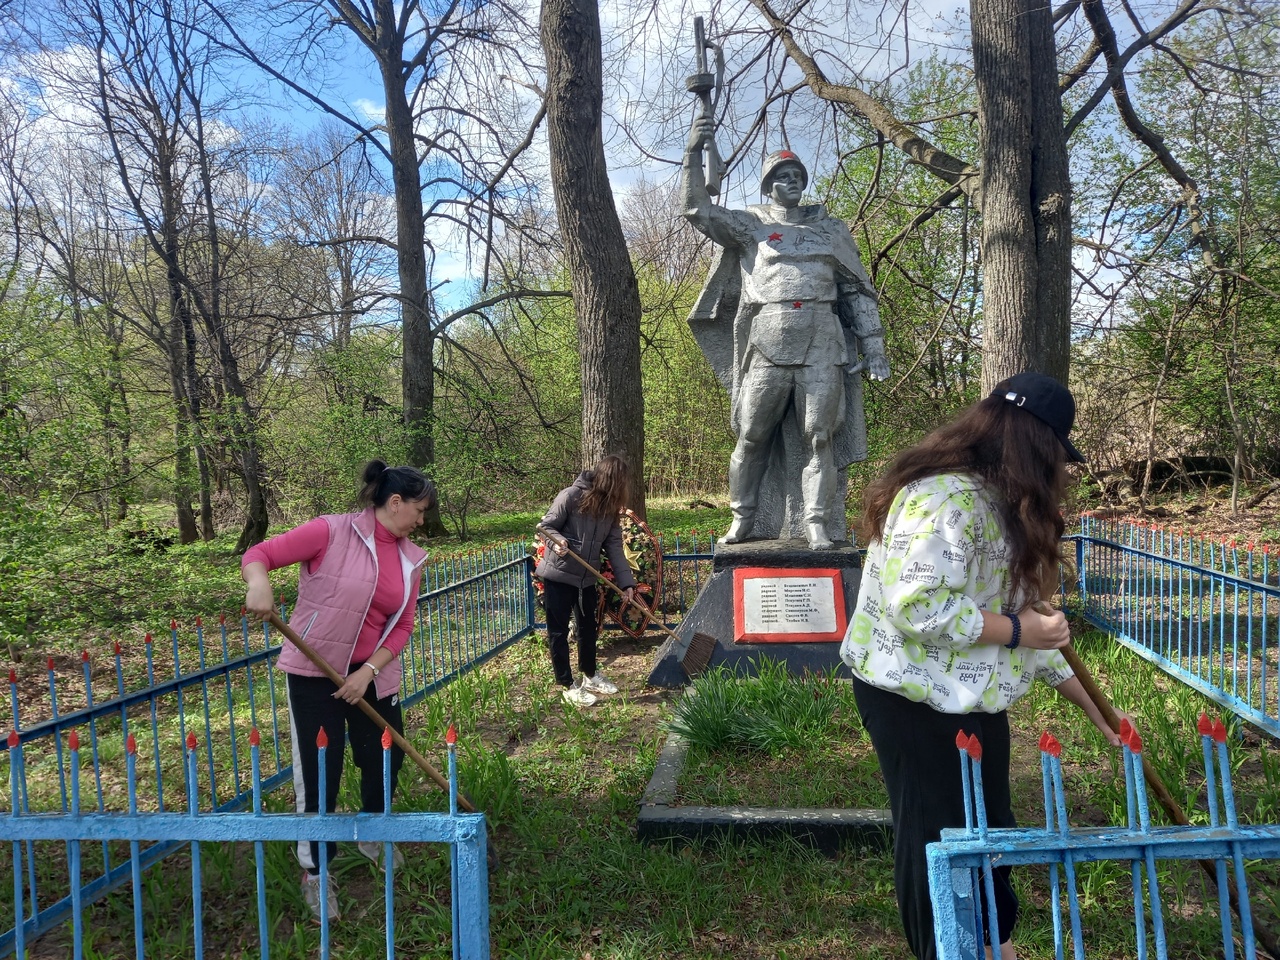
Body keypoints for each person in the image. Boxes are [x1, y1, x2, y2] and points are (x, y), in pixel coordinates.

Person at [839, 372, 1127, 960]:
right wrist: (1024, 628)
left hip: (970, 697)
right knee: (936, 837)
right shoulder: (943, 499)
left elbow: (1028, 630)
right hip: (909, 697)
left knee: (989, 825)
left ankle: (991, 942)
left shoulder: (1006, 506)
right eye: (1058, 456)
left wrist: (1101, 712)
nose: (1061, 473)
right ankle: (948, 947)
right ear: (1033, 443)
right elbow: (915, 606)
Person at [682, 114, 891, 550]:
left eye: (797, 175)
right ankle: (743, 518)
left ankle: (816, 523)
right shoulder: (750, 225)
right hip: (768, 339)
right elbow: (697, 211)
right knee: (751, 434)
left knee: (819, 436)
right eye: (782, 176)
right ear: (768, 185)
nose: (792, 182)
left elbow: (857, 290)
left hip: (823, 341)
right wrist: (692, 154)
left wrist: (874, 345)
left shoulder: (832, 231)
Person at [242, 460, 435, 922]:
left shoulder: (412, 559)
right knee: (319, 771)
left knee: (384, 759)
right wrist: (259, 583)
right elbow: (259, 554)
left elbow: (402, 625)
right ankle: (315, 869)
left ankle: (370, 832)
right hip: (315, 675)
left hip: (373, 677)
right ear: (395, 503)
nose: (422, 520)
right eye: (420, 509)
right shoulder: (330, 532)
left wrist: (367, 672)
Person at [535, 456, 637, 707]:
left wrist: (627, 583)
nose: (621, 489)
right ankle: (567, 685)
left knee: (587, 629)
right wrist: (557, 542)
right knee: (558, 631)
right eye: (619, 483)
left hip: (586, 578)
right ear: (608, 479)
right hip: (558, 575)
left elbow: (613, 546)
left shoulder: (610, 509)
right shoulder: (570, 496)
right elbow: (545, 527)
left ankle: (590, 675)